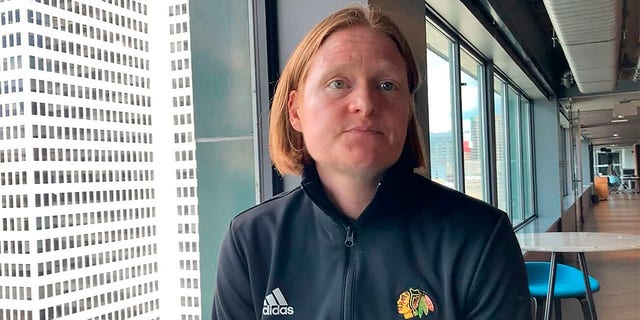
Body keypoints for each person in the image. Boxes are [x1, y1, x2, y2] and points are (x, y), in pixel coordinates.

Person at [212, 5, 531, 319]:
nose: (365, 103)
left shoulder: (480, 238)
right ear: (296, 111)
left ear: (407, 110)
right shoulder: (251, 241)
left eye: (387, 85)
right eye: (338, 83)